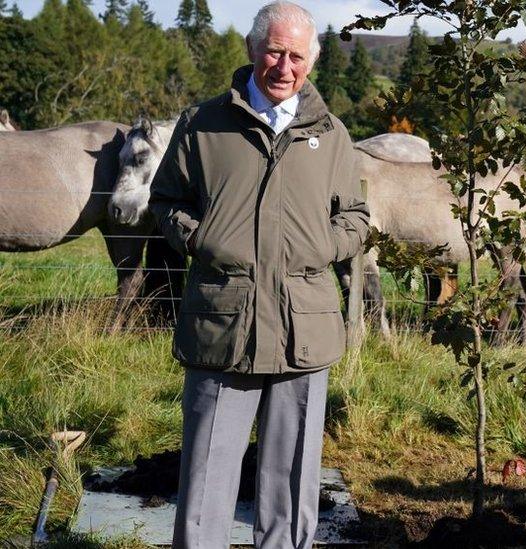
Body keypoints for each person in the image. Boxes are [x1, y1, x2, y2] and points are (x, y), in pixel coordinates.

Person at [148, 2, 369, 547]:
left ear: (311, 61)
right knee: (204, 479)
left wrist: (321, 245)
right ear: (251, 51)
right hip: (223, 323)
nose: (284, 66)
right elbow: (167, 199)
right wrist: (201, 238)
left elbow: (356, 217)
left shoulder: (332, 133)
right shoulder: (202, 126)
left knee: (292, 481)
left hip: (305, 328)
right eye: (274, 51)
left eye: (297, 55)